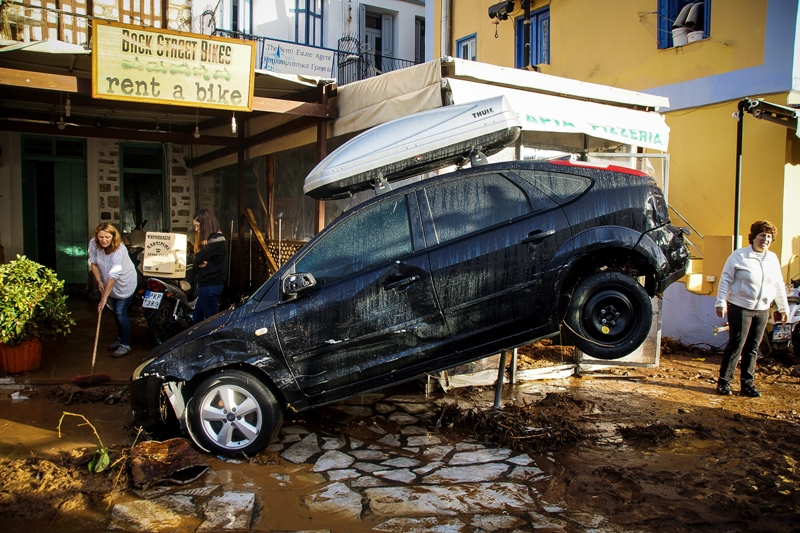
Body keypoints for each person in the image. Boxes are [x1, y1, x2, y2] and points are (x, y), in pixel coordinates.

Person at [715, 220, 789, 397]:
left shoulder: (772, 258)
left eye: (769, 236)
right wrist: (721, 302)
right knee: (737, 344)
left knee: (753, 347)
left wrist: (783, 307)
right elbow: (725, 279)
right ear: (754, 237)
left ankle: (747, 385)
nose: (765, 239)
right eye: (762, 235)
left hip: (762, 308)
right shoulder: (739, 256)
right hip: (740, 306)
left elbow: (778, 284)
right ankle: (724, 383)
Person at [89, 222, 137, 357]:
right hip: (108, 281)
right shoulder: (94, 243)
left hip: (124, 282)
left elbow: (113, 275)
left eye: (107, 237)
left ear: (113, 237)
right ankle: (120, 338)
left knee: (120, 312)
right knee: (116, 312)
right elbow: (93, 263)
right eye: (101, 237)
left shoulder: (120, 250)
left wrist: (103, 298)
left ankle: (125, 344)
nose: (103, 240)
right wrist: (98, 281)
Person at [192, 209, 228, 324]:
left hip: (210, 285)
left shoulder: (216, 240)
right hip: (207, 285)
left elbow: (196, 258)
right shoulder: (212, 240)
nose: (196, 230)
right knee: (197, 319)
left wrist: (198, 259)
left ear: (205, 225)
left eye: (198, 226)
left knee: (210, 323)